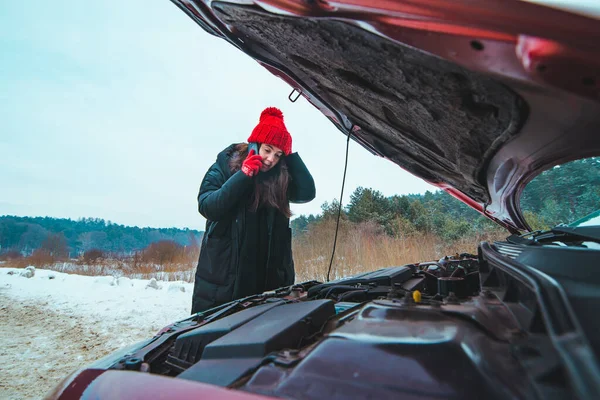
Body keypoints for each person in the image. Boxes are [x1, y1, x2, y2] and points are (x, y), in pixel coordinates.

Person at [191, 107, 316, 314]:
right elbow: (208, 206)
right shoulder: (225, 165)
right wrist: (243, 175)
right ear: (255, 143)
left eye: (278, 154)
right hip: (225, 281)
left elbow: (307, 192)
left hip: (268, 282)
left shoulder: (280, 176)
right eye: (267, 150)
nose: (271, 159)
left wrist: (290, 154)